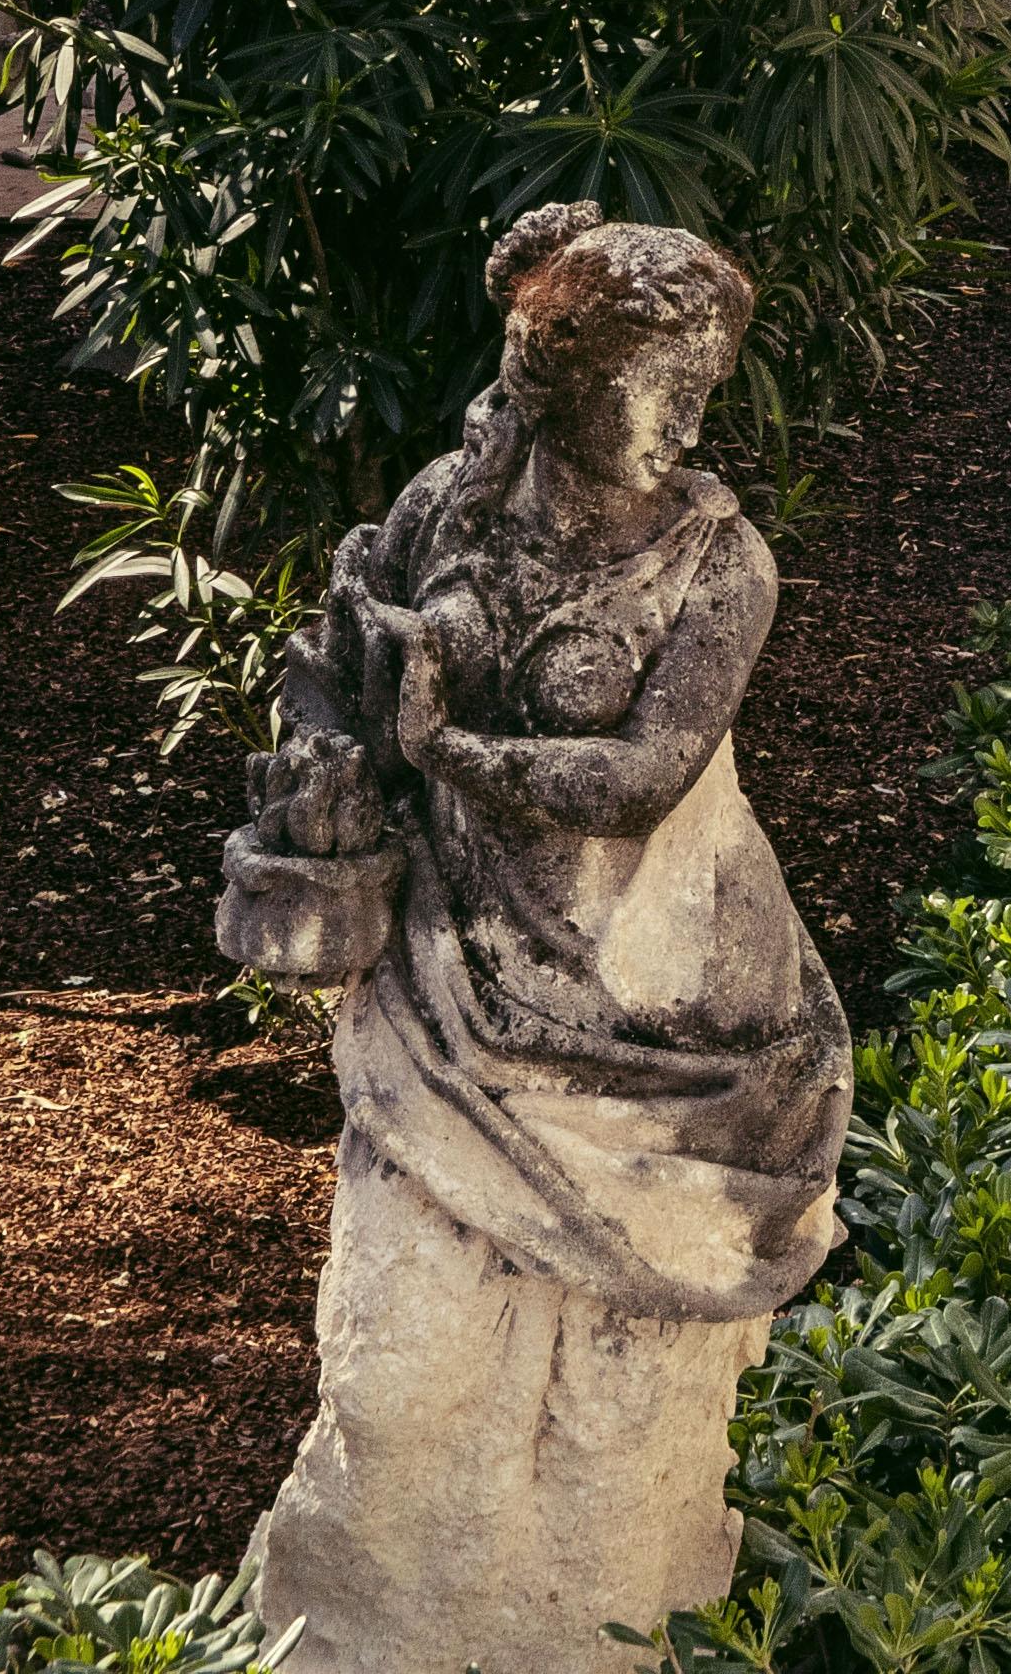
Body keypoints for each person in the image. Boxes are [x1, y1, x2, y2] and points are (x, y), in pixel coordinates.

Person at [224, 203, 850, 1673]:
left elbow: (637, 780)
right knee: (400, 1374)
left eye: (706, 386)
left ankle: (593, 1630)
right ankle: (368, 1625)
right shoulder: (449, 506)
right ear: (562, 384)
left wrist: (449, 753)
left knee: (620, 1419)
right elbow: (336, 668)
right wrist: (325, 773)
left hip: (666, 1011)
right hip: (450, 995)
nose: (691, 417)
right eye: (665, 384)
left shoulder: (720, 565)